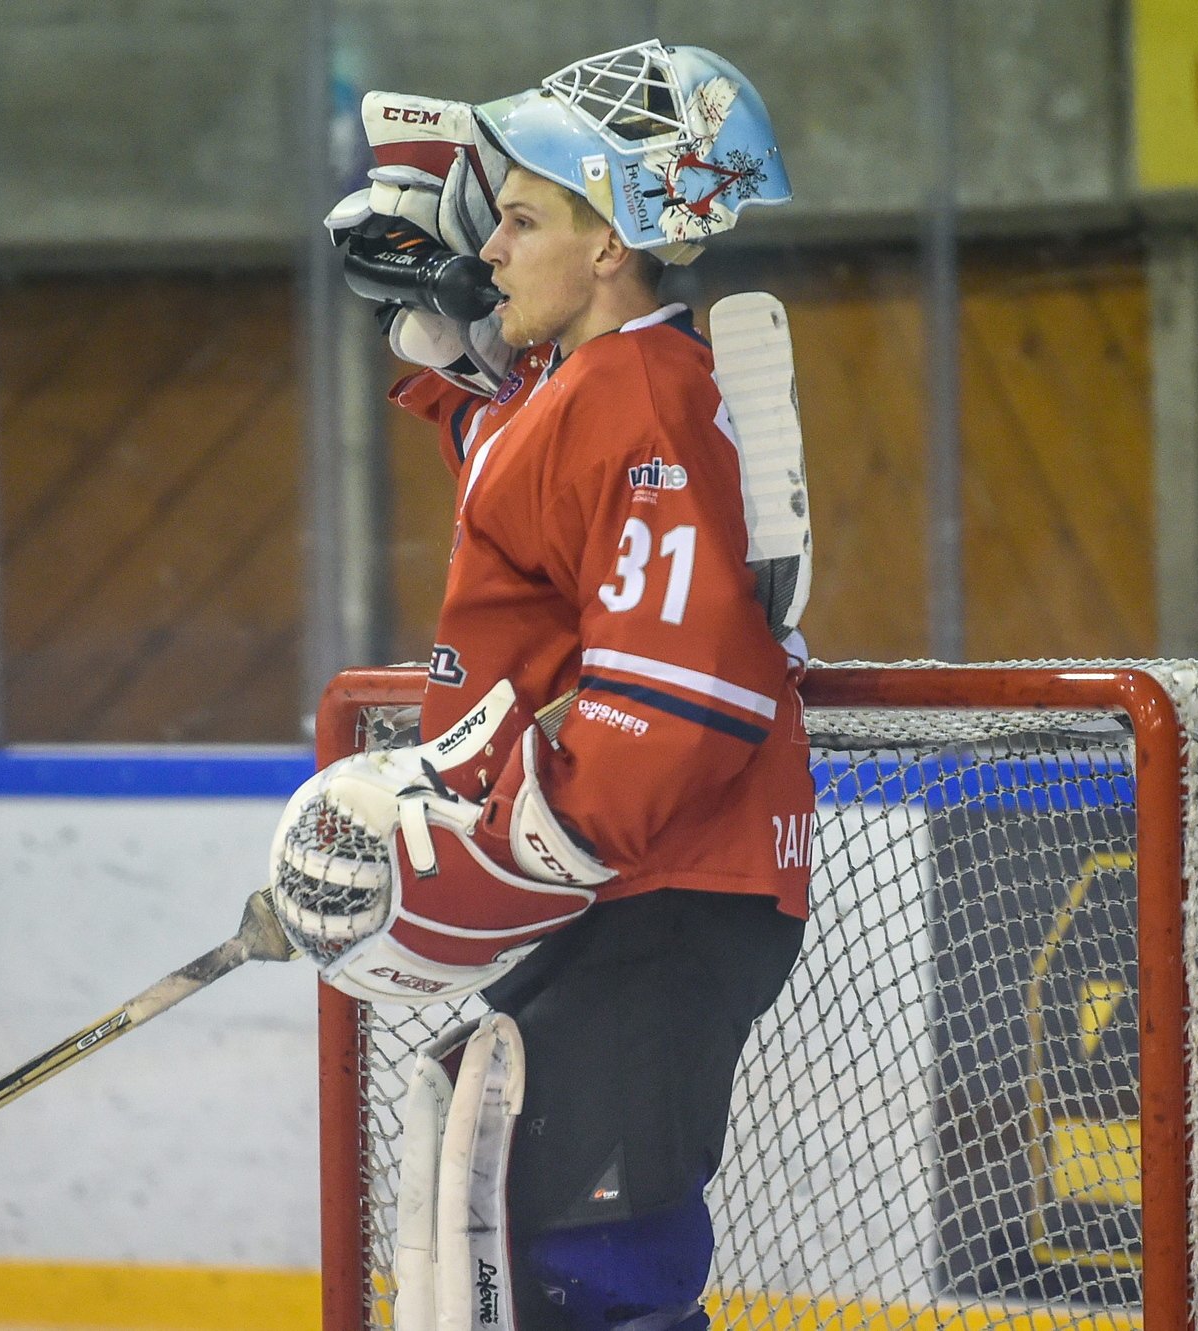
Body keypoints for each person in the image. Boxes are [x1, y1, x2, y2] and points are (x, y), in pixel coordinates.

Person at [270, 41, 815, 1331]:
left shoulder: (639, 395)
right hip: (629, 888)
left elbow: (680, 680)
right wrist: (450, 340)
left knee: (592, 1271)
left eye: (517, 221)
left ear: (613, 244)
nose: (490, 251)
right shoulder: (584, 390)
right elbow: (517, 458)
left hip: (656, 884)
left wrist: (528, 837)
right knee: (531, 1248)